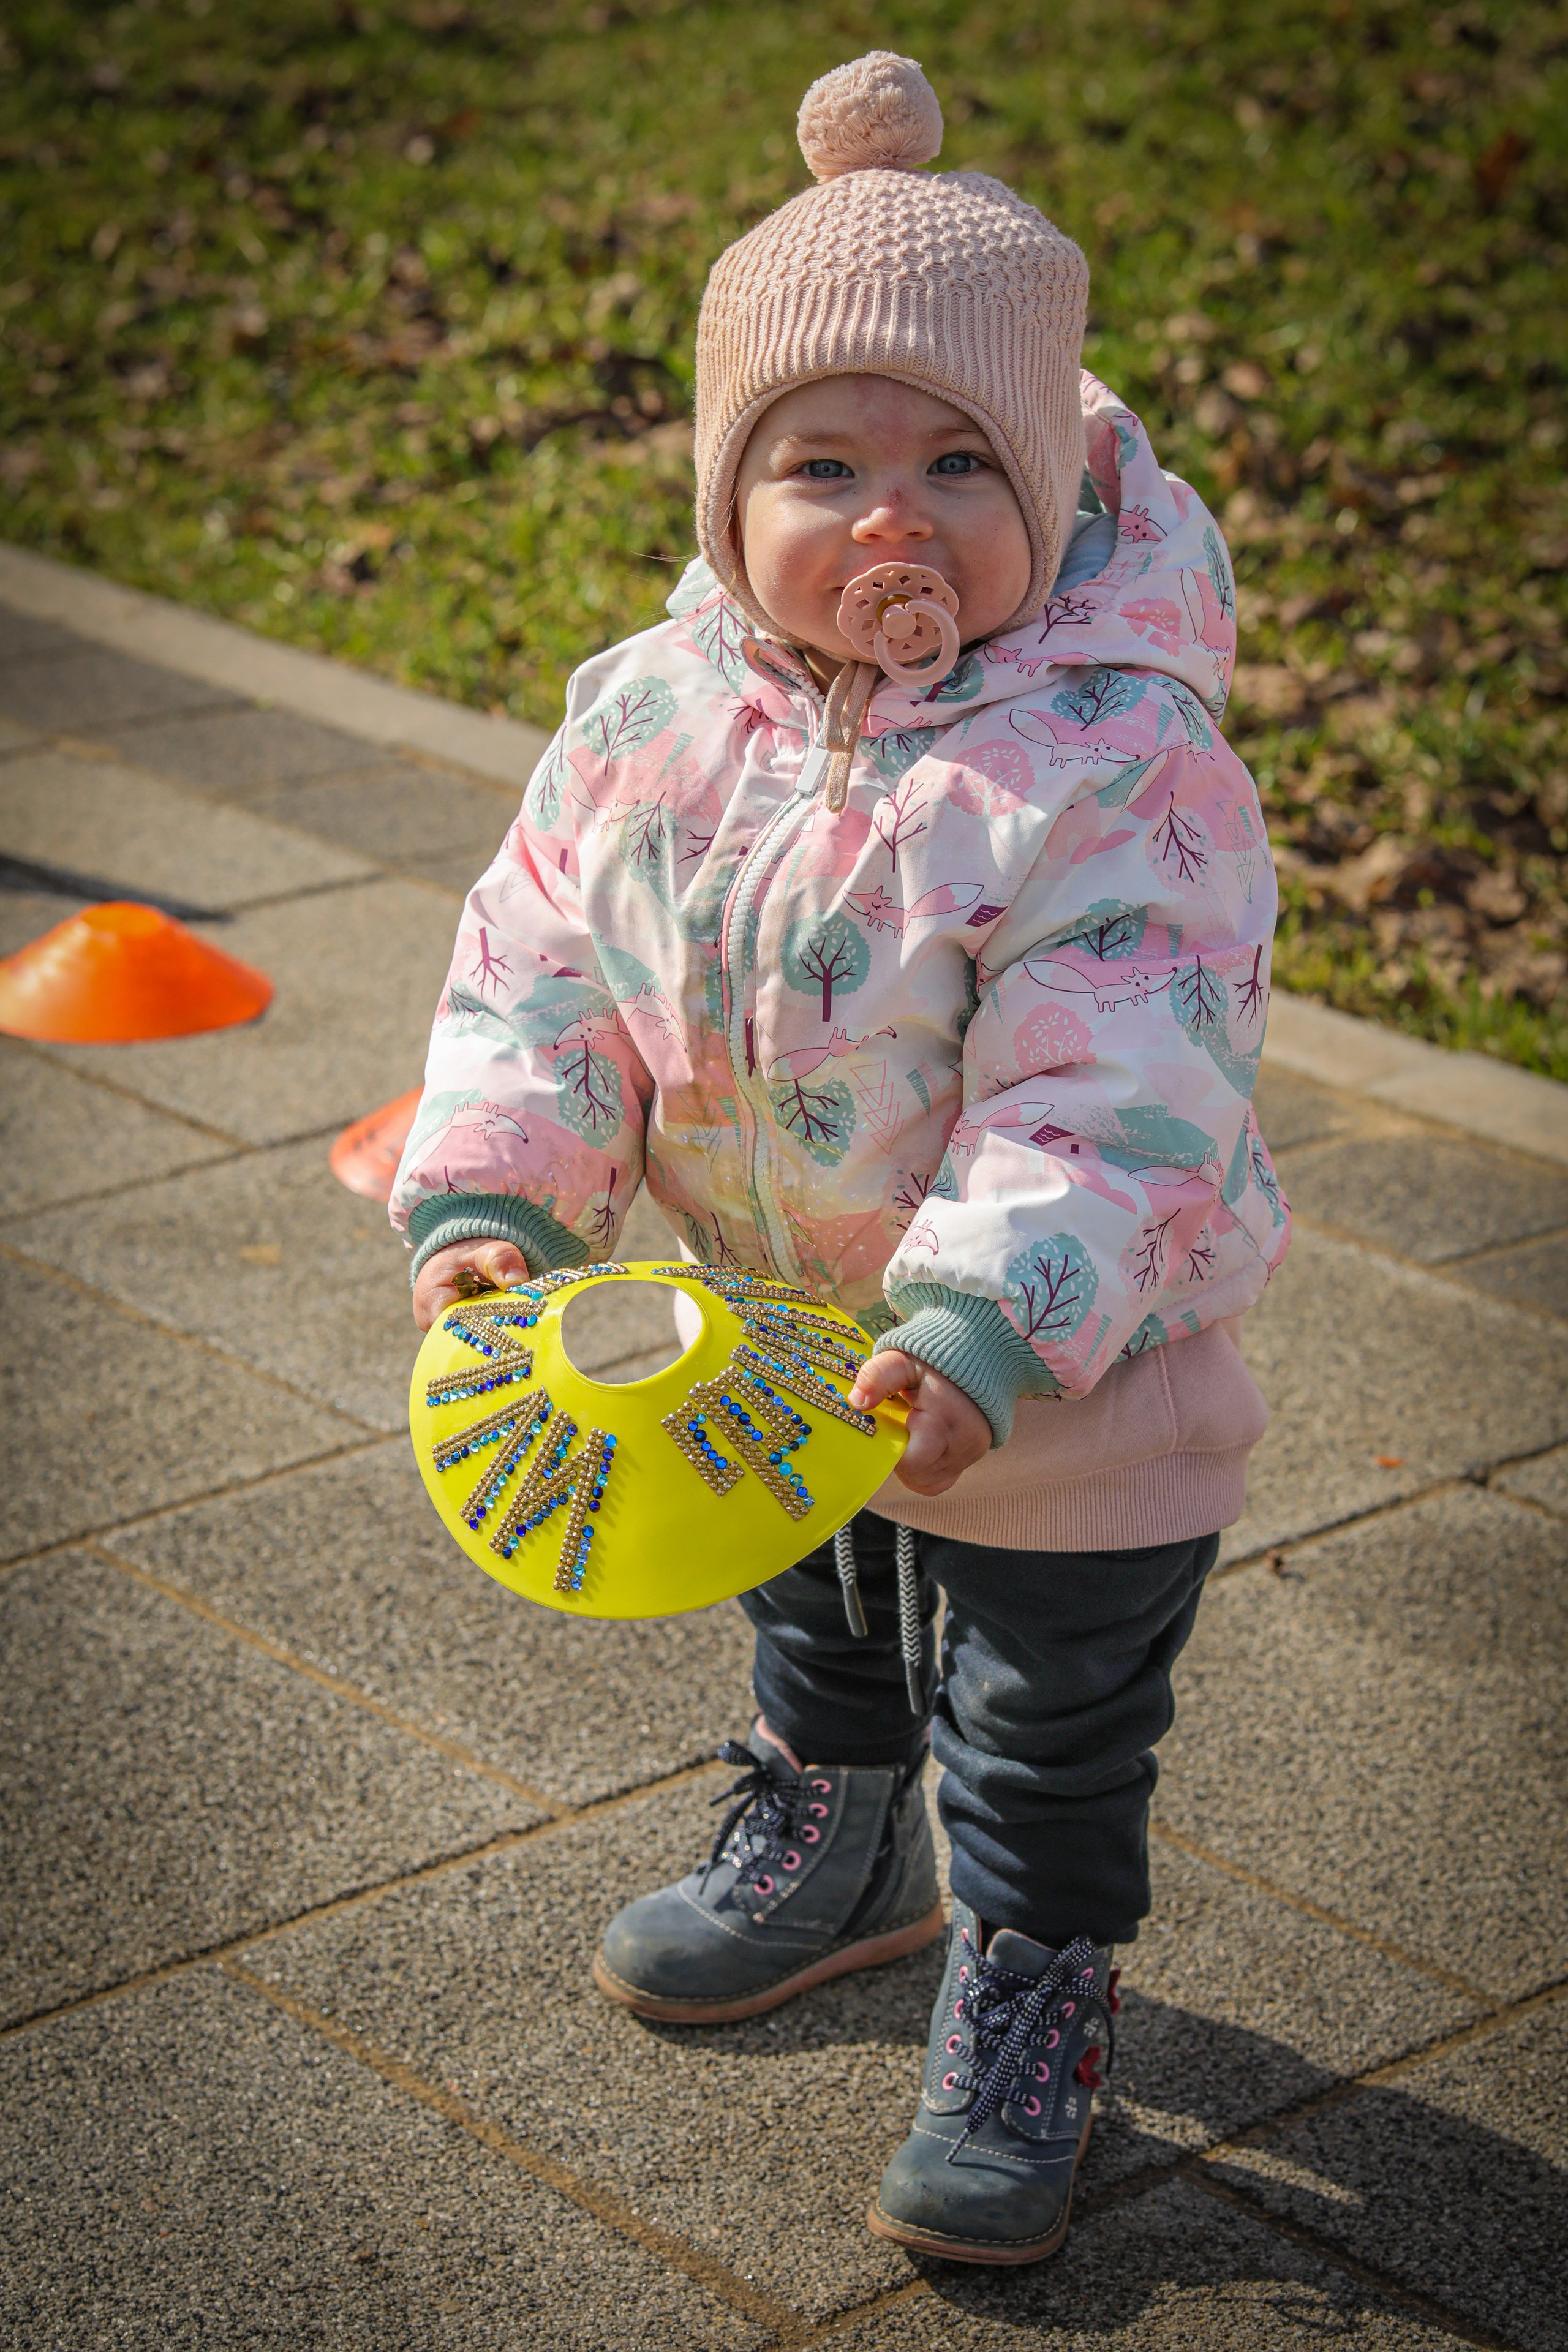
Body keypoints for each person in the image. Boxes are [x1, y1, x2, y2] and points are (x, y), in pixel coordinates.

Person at [392, 50, 1289, 2266]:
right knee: (815, 1609)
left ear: (1061, 488)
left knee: (1046, 1711)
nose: (894, 519)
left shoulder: (1113, 764)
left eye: (959, 461)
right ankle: (835, 1827)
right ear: (725, 496)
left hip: (1060, 1377)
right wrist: (503, 1188)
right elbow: (542, 964)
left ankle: (1032, 1972)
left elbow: (1115, 1086)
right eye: (825, 462)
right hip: (766, 1332)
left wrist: (990, 1323)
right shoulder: (651, 718)